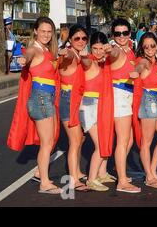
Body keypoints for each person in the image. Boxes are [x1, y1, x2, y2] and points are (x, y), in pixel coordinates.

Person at [9, 17, 61, 194]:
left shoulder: (47, 50)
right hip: (41, 99)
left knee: (52, 137)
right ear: (36, 31)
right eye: (43, 31)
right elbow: (28, 53)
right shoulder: (35, 49)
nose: (46, 34)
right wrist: (24, 59)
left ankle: (41, 172)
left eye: (49, 31)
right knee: (47, 142)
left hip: (47, 98)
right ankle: (44, 183)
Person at [132, 33, 157, 189]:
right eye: (146, 46)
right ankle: (149, 176)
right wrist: (136, 71)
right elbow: (140, 66)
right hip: (148, 99)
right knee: (146, 142)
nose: (149, 49)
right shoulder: (143, 61)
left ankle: (152, 170)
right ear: (142, 47)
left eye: (152, 45)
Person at [105, 18, 140, 193]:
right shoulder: (117, 50)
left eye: (125, 33)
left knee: (129, 139)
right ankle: (122, 181)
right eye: (117, 33)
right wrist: (109, 49)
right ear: (113, 35)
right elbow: (112, 54)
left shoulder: (130, 50)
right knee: (123, 140)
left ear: (130, 33)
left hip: (129, 96)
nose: (121, 36)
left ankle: (119, 172)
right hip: (120, 96)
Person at [79, 32, 113, 192]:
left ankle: (101, 173)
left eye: (101, 48)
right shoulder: (90, 61)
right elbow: (85, 60)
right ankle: (91, 179)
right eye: (95, 48)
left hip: (101, 106)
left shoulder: (104, 63)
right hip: (88, 107)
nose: (98, 51)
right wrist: (84, 54)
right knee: (100, 145)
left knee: (105, 140)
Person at [58, 25, 89, 192]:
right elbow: (66, 56)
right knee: (75, 141)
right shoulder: (70, 54)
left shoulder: (80, 54)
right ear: (70, 39)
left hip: (77, 101)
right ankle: (73, 179)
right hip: (68, 100)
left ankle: (76, 171)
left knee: (80, 139)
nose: (81, 41)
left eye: (84, 38)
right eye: (77, 38)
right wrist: (65, 52)